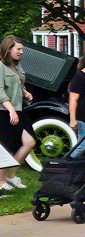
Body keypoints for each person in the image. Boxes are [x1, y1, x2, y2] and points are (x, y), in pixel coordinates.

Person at [0, 36, 36, 193]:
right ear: (8, 49)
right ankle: (1, 182)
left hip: (19, 109)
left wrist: (25, 92)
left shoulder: (16, 65)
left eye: (22, 49)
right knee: (6, 148)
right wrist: (11, 109)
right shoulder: (0, 66)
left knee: (30, 142)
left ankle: (11, 175)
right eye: (18, 49)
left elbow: (17, 84)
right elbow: (0, 91)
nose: (21, 52)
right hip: (5, 112)